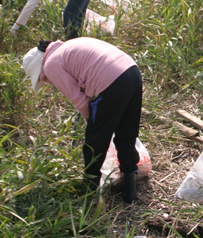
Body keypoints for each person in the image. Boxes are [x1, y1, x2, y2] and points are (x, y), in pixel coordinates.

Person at [22, 37, 143, 202]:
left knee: (94, 142)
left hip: (110, 82)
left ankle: (89, 191)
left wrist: (94, 124)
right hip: (132, 72)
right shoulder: (68, 47)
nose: (45, 81)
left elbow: (79, 100)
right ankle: (130, 191)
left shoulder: (51, 64)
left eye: (41, 78)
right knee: (126, 133)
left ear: (40, 67)